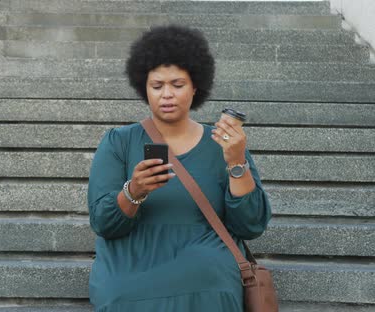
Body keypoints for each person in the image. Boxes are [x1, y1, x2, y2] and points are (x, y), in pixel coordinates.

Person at [87, 25, 272, 311]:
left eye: (177, 84)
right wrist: (134, 190)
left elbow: (250, 225)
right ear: (144, 88)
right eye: (157, 86)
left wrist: (237, 163)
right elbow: (102, 222)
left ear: (195, 86)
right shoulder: (118, 142)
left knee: (212, 283)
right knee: (120, 294)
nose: (167, 95)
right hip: (130, 259)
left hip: (205, 256)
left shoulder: (223, 144)